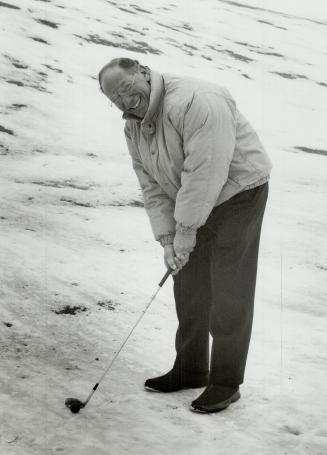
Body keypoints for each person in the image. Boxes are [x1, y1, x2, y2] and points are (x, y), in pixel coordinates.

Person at [98, 57, 272, 413]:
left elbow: (205, 172)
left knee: (229, 287)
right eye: (117, 99)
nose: (127, 103)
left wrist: (186, 232)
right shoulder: (134, 126)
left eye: (130, 91)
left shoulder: (197, 101)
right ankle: (191, 367)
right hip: (193, 199)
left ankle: (225, 381)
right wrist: (168, 239)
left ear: (144, 72)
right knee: (188, 281)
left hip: (239, 192)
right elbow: (152, 186)